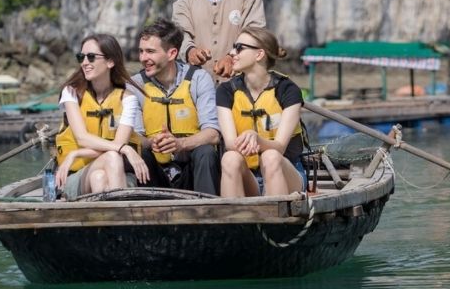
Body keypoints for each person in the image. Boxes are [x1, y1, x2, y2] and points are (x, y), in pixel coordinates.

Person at [53, 33, 150, 199]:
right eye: (81, 57)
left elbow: (117, 144)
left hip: (116, 172)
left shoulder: (128, 99)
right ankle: (123, 218)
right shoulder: (71, 93)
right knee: (113, 155)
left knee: (99, 177)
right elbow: (82, 138)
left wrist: (76, 154)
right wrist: (125, 149)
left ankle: (107, 223)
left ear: (110, 62)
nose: (84, 63)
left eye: (91, 57)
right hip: (77, 176)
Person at [216, 26, 308, 198]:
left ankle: (278, 222)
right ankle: (232, 222)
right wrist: (247, 140)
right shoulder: (225, 91)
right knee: (229, 158)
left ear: (259, 55)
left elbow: (279, 147)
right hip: (248, 176)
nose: (231, 52)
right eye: (234, 46)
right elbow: (230, 143)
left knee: (271, 156)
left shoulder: (288, 90)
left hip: (287, 173)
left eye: (239, 48)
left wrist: (256, 138)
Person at [133, 18, 221, 195]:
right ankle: (147, 215)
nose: (143, 58)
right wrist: (152, 142)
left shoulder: (199, 79)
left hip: (191, 166)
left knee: (206, 152)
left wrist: (180, 144)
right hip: (154, 170)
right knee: (140, 154)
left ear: (172, 53)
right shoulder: (134, 85)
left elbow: (213, 134)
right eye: (141, 51)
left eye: (150, 52)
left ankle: (209, 214)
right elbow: (136, 137)